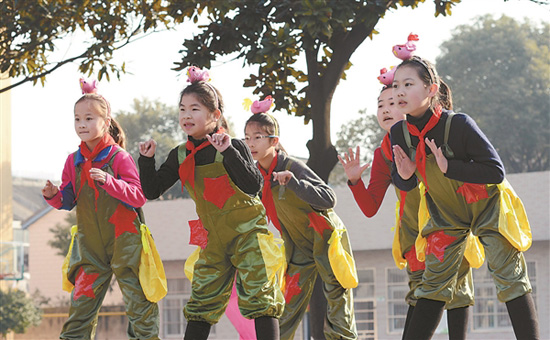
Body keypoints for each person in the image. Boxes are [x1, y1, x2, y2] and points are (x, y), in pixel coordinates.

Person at [390, 55, 539, 340]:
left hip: (487, 208)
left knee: (509, 275)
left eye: (408, 84)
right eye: (396, 85)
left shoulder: (458, 124)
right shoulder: (400, 133)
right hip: (446, 214)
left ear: (431, 89)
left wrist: (450, 167)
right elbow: (404, 184)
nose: (399, 92)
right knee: (432, 283)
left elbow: (496, 171)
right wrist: (407, 175)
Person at [138, 68, 284, 340]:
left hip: (248, 234)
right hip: (213, 240)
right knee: (202, 303)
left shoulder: (233, 145)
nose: (186, 115)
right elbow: (152, 190)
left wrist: (227, 151)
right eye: (182, 109)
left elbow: (253, 185)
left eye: (194, 109)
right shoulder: (180, 153)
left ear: (215, 115)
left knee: (261, 298)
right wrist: (146, 160)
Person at [338, 83, 474, 340]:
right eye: (380, 105)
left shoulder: (433, 136)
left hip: (448, 227)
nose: (386, 109)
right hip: (414, 236)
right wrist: (355, 181)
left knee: (457, 294)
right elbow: (369, 207)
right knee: (419, 298)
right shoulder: (383, 152)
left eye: (393, 102)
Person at [42, 81, 161, 340]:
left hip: (125, 243)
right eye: (77, 119)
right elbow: (68, 200)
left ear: (106, 122)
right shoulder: (73, 161)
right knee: (80, 310)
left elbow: (138, 196)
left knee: (139, 307)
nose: (82, 124)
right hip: (90, 248)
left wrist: (109, 182)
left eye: (88, 118)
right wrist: (53, 196)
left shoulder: (119, 158)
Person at [244, 99, 357, 340]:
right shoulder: (256, 176)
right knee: (286, 302)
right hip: (297, 246)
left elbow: (329, 198)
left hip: (326, 239)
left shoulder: (292, 166)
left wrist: (294, 183)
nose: (251, 143)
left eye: (257, 137)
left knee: (338, 300)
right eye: (247, 137)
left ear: (274, 141)